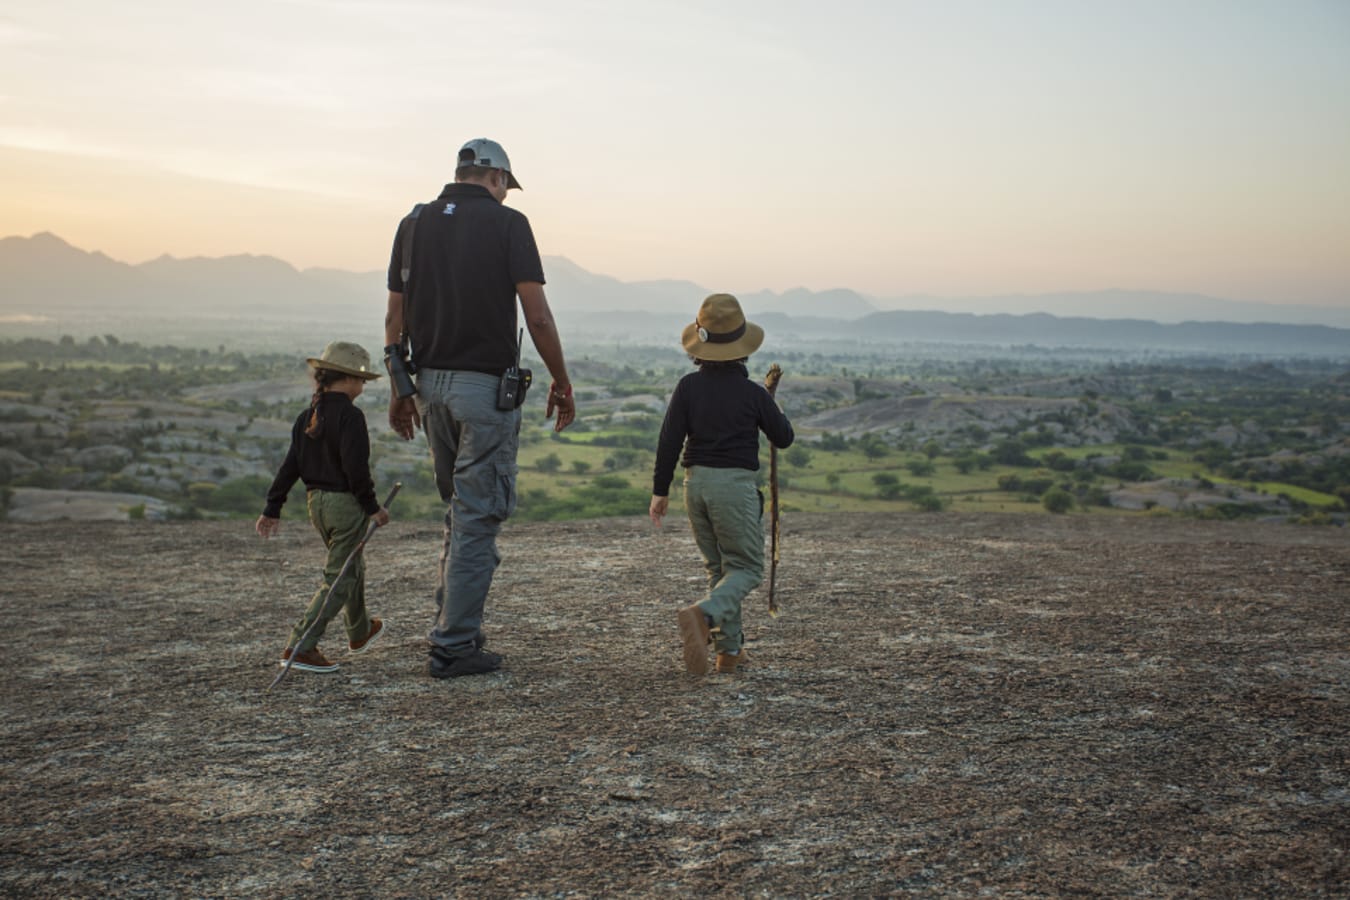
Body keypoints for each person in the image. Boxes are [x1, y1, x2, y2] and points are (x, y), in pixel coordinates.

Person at [384, 137, 576, 679]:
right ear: (496, 179)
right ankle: (453, 645)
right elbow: (537, 316)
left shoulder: (413, 223)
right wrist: (562, 381)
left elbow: (394, 317)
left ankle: (452, 624)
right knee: (477, 516)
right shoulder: (509, 224)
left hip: (429, 387)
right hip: (483, 391)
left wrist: (400, 390)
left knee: (459, 511)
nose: (505, 194)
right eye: (505, 186)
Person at [650, 293, 794, 675]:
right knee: (747, 568)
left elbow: (669, 441)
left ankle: (729, 652)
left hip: (694, 485)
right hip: (732, 487)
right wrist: (772, 403)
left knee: (719, 569)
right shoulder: (753, 394)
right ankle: (705, 615)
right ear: (742, 346)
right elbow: (784, 437)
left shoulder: (687, 387)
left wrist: (660, 491)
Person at [257, 341, 391, 674]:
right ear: (348, 379)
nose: (362, 387)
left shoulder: (308, 416)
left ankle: (359, 630)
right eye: (361, 380)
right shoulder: (351, 416)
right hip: (344, 506)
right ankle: (301, 646)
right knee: (339, 576)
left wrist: (272, 506)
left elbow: (290, 466)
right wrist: (373, 507)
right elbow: (356, 469)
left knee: (351, 565)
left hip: (316, 505)